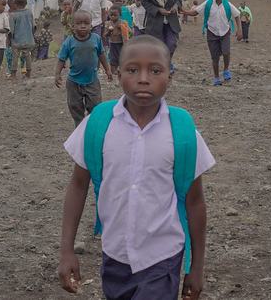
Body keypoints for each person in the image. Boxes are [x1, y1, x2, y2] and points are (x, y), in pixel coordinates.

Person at [57, 35, 214, 300]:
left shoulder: (182, 131)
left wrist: (196, 267)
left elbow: (195, 201)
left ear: (170, 76)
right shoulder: (99, 124)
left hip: (162, 257)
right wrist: (66, 250)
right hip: (114, 255)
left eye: (155, 70)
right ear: (118, 74)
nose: (143, 78)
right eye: (132, 70)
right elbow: (78, 185)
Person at [56, 10, 114, 126]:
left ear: (91, 25)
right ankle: (79, 126)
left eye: (86, 23)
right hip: (74, 82)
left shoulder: (96, 39)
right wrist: (57, 74)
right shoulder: (69, 42)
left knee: (95, 106)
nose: (83, 26)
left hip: (92, 80)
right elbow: (61, 59)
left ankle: (91, 126)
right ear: (73, 26)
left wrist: (108, 70)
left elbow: (101, 54)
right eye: (79, 23)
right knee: (75, 107)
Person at [194, 0, 242, 86]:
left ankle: (226, 70)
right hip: (212, 33)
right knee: (214, 57)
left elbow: (237, 15)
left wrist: (239, 30)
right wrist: (184, 11)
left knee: (226, 52)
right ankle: (216, 78)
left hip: (225, 32)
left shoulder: (227, 4)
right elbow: (196, 11)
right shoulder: (208, 3)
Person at [8, 0, 36, 80]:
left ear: (15, 3)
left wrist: (9, 40)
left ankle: (13, 75)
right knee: (27, 56)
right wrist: (31, 36)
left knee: (15, 57)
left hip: (16, 41)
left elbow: (11, 30)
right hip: (28, 40)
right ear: (26, 3)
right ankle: (28, 73)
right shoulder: (29, 12)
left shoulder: (12, 15)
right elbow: (33, 26)